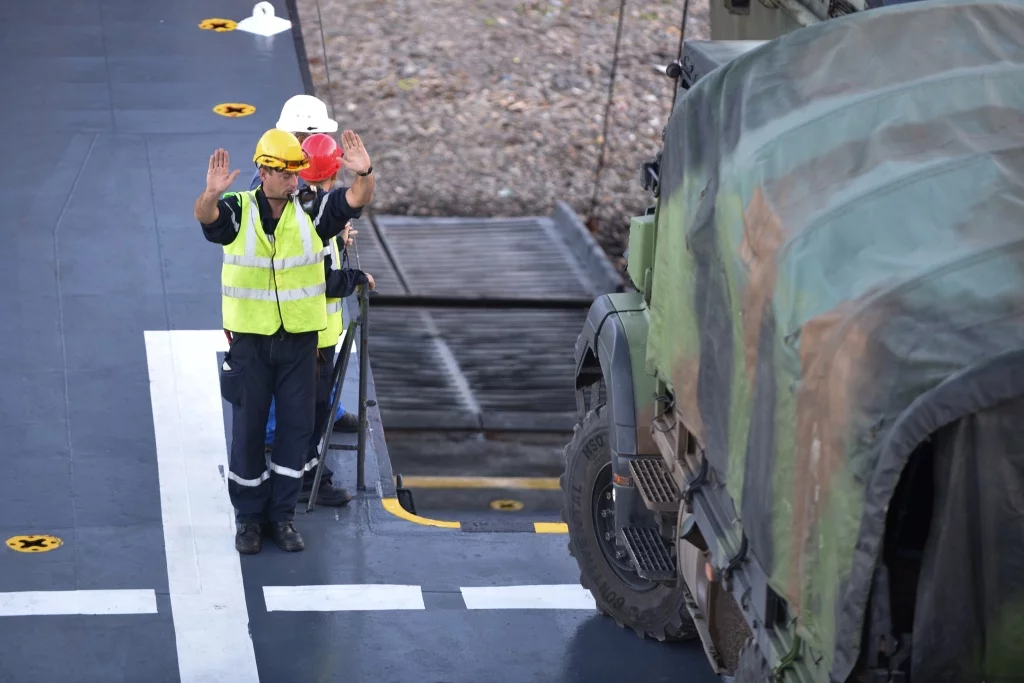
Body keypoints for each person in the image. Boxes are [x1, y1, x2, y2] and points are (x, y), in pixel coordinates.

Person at [194, 127, 375, 555]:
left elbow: (355, 200)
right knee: (249, 434)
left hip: (298, 345)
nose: (295, 181)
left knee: (295, 433)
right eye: (286, 173)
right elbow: (207, 218)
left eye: (297, 173)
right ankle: (249, 520)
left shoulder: (311, 210)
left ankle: (283, 517)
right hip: (251, 345)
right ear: (263, 170)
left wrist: (364, 172)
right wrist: (210, 194)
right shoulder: (237, 209)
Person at [265, 132, 377, 508]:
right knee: (308, 412)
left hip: (301, 329)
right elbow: (326, 279)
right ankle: (309, 477)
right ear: (334, 171)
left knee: (306, 409)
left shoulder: (297, 207)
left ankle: (304, 472)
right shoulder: (319, 212)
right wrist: (357, 278)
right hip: (314, 334)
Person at [253, 95, 362, 435]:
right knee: (290, 374)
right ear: (300, 138)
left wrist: (336, 234)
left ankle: (329, 408)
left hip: (317, 311)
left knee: (321, 367)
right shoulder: (277, 189)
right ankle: (276, 433)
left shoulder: (306, 186)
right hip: (290, 306)